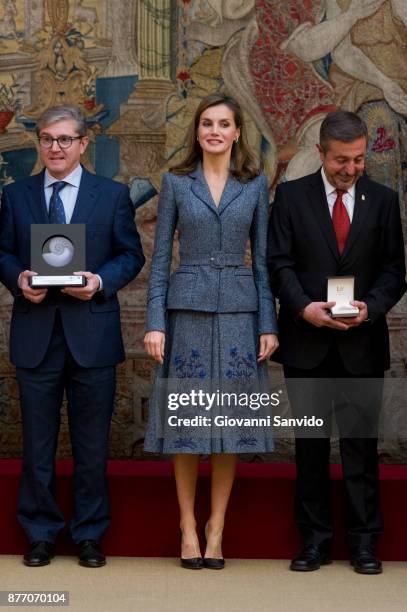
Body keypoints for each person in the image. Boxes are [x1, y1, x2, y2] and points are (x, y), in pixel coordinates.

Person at [0, 105, 145, 567]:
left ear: (84, 144)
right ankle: (40, 534)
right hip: (36, 332)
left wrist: (99, 282)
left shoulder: (112, 195)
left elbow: (130, 255)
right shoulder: (16, 195)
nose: (55, 147)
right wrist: (18, 278)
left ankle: (88, 535)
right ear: (39, 143)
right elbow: (1, 251)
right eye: (47, 139)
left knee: (91, 444)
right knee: (37, 444)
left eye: (65, 139)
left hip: (92, 334)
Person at [267, 110, 406, 574]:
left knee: (360, 449)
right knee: (309, 449)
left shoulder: (383, 201)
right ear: (321, 153)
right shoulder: (289, 198)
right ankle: (314, 542)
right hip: (306, 344)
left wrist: (373, 307)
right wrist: (304, 306)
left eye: (359, 159)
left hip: (362, 344)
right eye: (342, 160)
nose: (351, 169)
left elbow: (394, 271)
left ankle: (364, 543)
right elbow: (279, 265)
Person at [144, 93, 278, 569]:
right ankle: (187, 525)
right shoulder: (177, 183)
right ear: (197, 131)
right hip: (188, 311)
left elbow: (262, 261)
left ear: (238, 131)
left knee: (231, 426)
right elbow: (160, 261)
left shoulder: (255, 183)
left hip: (241, 315)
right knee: (189, 424)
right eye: (206, 123)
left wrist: (268, 323)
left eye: (223, 123)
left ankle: (216, 527)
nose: (214, 131)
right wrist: (155, 323)